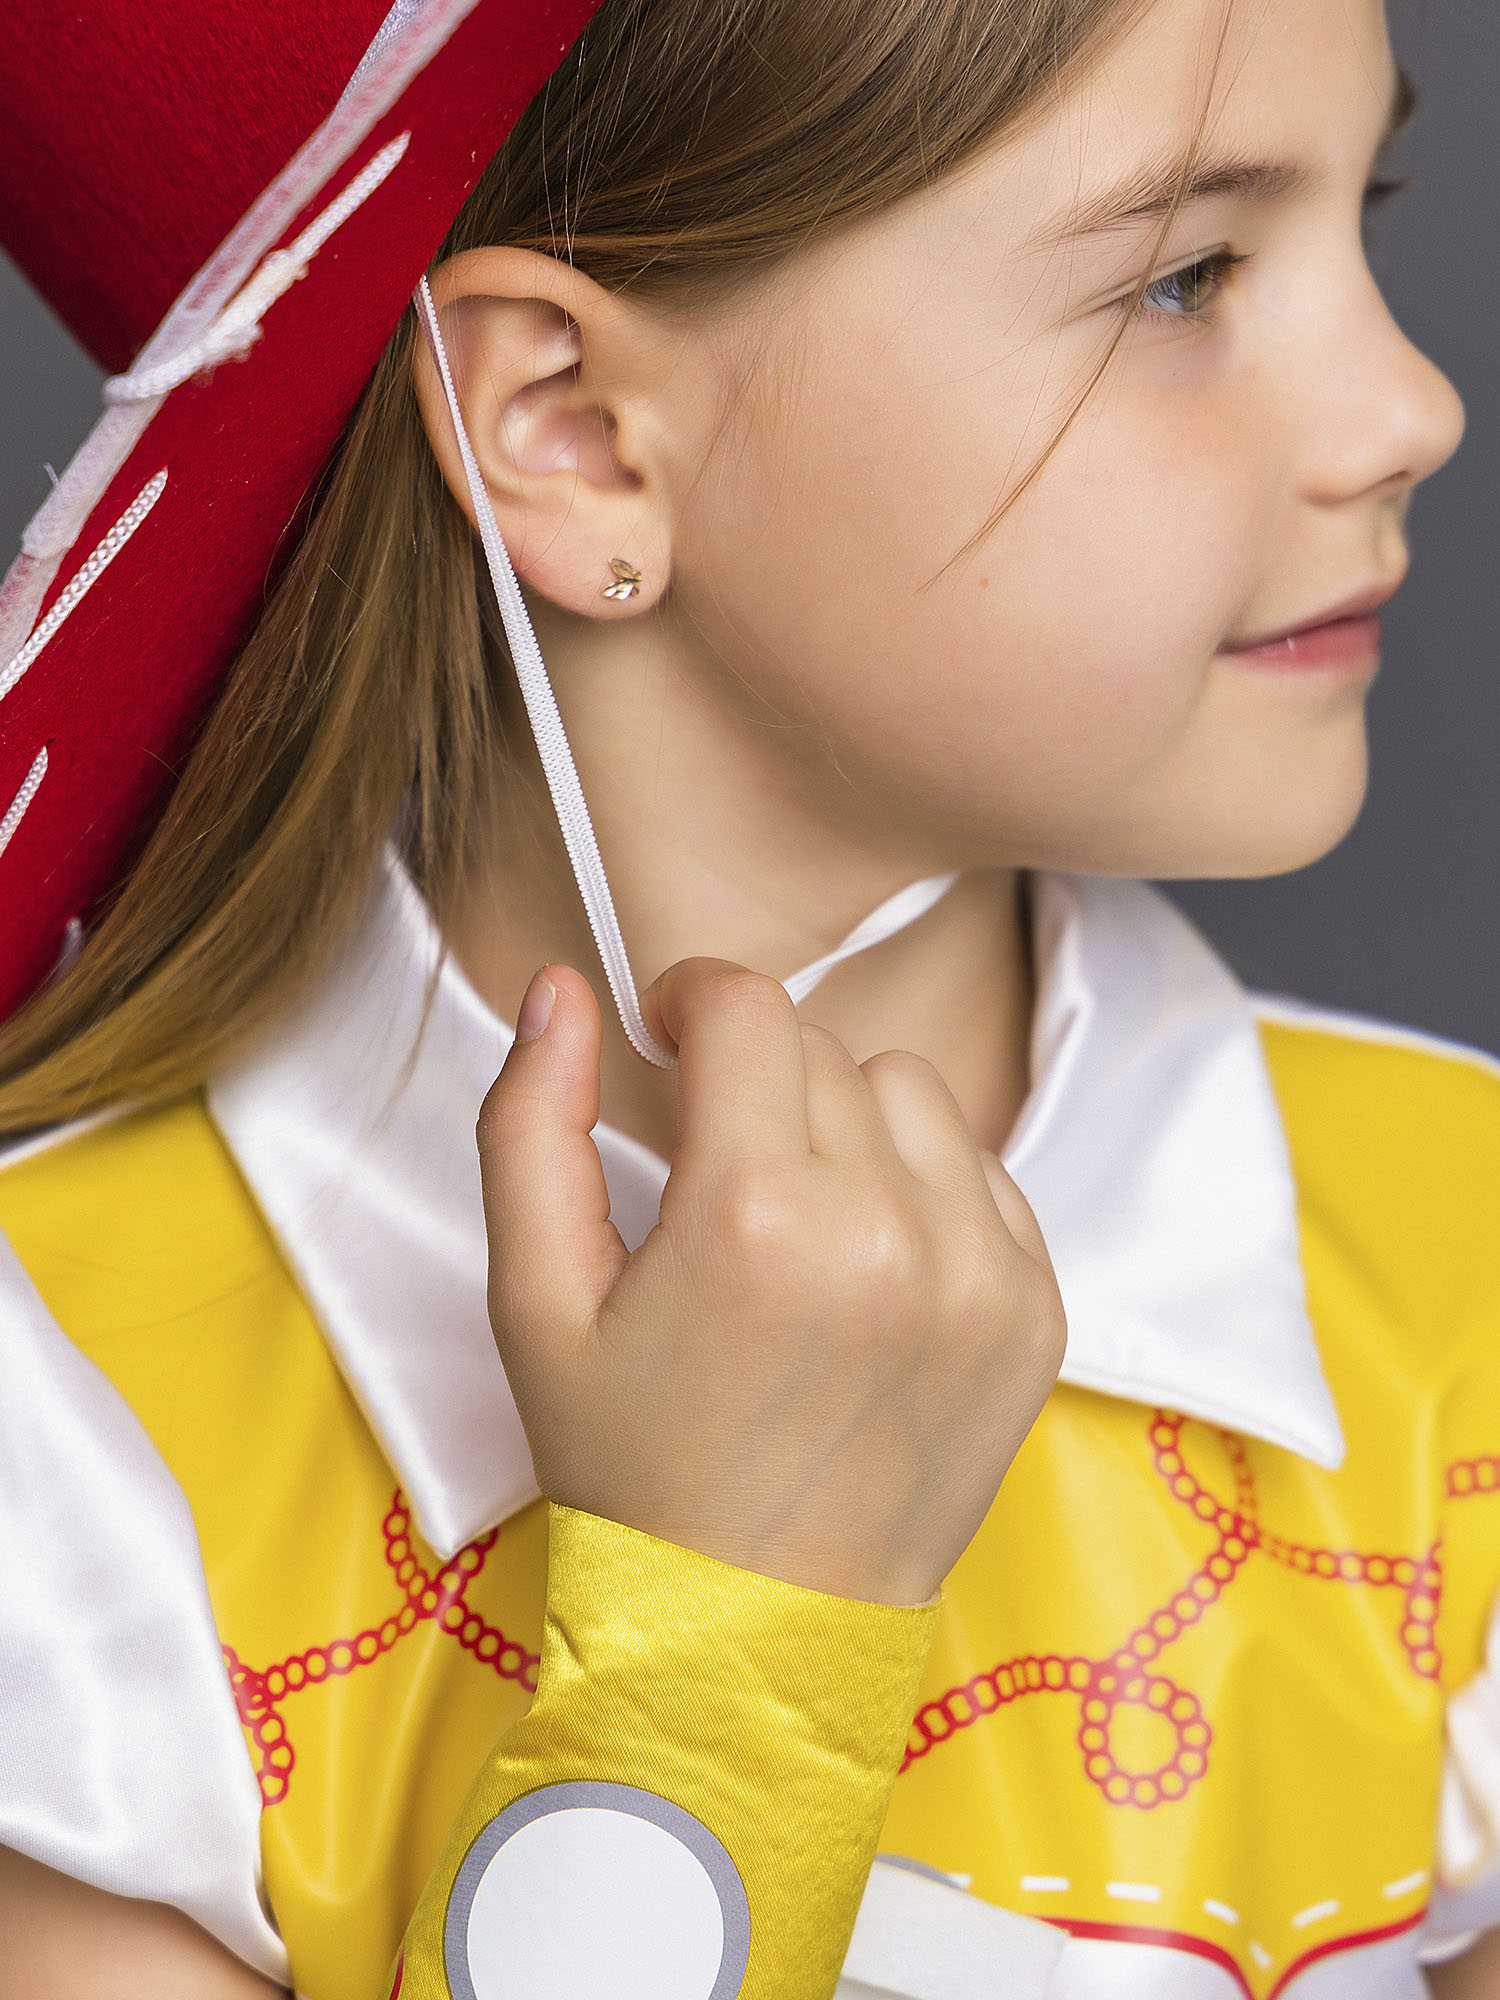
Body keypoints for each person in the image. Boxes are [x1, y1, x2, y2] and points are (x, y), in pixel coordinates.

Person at [0, 0, 1496, 1993]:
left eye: (1362, 214)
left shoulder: (1461, 1272)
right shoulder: (62, 1417)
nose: (1411, 407)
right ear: (578, 435)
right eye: (1188, 276)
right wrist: (719, 1666)